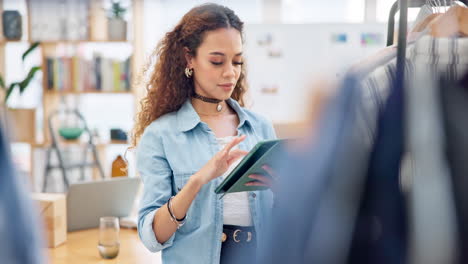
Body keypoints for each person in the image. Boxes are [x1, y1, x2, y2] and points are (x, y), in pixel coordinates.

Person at [132, 3, 277, 264]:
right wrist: (198, 180)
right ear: (189, 58)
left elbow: (284, 222)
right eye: (217, 61)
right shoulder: (161, 136)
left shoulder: (260, 127)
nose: (230, 72)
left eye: (237, 61)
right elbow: (152, 236)